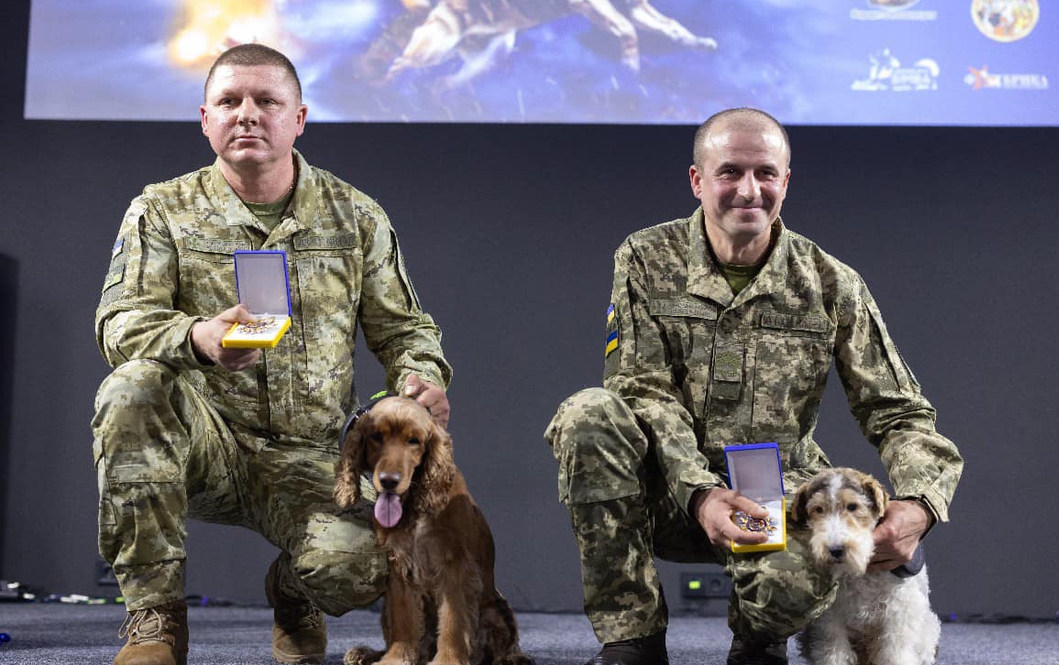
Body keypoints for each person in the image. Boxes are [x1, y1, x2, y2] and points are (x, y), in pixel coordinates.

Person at [544, 108, 963, 665]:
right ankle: (632, 641)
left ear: (785, 181)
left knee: (799, 581)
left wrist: (921, 504)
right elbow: (641, 389)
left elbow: (899, 410)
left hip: (778, 501)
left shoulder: (831, 282)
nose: (749, 190)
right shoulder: (645, 258)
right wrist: (700, 492)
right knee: (589, 414)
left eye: (766, 173)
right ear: (698, 180)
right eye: (729, 172)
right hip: (668, 492)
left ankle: (760, 640)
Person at [92, 43, 452, 665]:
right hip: (204, 442)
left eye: (267, 101)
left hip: (311, 453)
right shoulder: (162, 211)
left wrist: (419, 378)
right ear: (205, 118)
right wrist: (198, 338)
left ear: (299, 118)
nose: (247, 114)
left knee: (371, 561)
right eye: (229, 101)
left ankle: (292, 592)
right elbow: (120, 323)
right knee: (131, 388)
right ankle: (155, 625)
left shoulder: (356, 217)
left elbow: (404, 329)